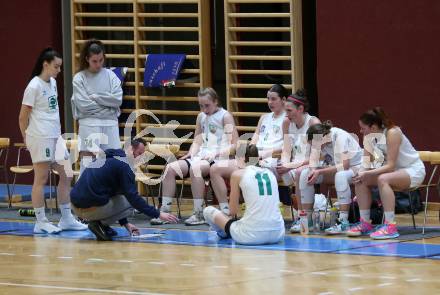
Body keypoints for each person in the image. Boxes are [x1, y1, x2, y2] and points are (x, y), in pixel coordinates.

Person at [18, 48, 87, 234]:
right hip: (40, 137)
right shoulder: (33, 86)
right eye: (56, 66)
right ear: (45, 64)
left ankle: (66, 218)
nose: (58, 70)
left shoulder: (53, 83)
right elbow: (23, 117)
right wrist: (25, 137)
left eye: (60, 67)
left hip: (55, 136)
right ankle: (40, 221)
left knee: (67, 174)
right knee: (41, 178)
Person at [150, 87, 238, 226]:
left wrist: (215, 153)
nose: (204, 109)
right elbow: (197, 139)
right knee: (170, 168)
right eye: (201, 106)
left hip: (219, 158)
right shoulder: (201, 116)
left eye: (207, 105)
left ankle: (199, 213)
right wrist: (191, 152)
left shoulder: (225, 116)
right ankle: (165, 212)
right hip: (200, 156)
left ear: (215, 102)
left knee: (195, 169)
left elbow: (234, 144)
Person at [70, 138, 178, 241]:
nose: (140, 158)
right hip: (91, 209)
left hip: (75, 207)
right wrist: (158, 214)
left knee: (122, 196)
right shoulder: (125, 166)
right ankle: (100, 224)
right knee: (132, 201)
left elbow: (114, 193)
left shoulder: (107, 157)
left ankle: (100, 224)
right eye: (139, 154)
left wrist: (126, 224)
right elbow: (133, 199)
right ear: (131, 149)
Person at [208, 84, 287, 218]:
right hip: (254, 158)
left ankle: (253, 212)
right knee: (215, 168)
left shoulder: (287, 119)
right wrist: (245, 155)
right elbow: (253, 141)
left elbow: (287, 146)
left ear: (283, 99)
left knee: (244, 173)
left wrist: (265, 153)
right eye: (268, 99)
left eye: (274, 99)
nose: (270, 102)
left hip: (272, 160)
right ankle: (226, 209)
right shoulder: (264, 118)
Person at [347, 107, 426, 239]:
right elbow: (365, 164)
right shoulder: (368, 138)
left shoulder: (393, 132)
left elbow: (390, 166)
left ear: (372, 127)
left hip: (412, 171)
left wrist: (367, 173)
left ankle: (390, 226)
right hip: (393, 173)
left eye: (363, 128)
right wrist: (360, 173)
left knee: (383, 179)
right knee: (360, 180)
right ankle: (365, 223)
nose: (360, 131)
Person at [203, 144, 285, 245]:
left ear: (242, 158)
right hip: (278, 233)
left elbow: (233, 211)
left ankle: (223, 233)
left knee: (208, 211)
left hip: (251, 236)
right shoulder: (270, 173)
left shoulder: (237, 174)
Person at [299, 121, 363, 234]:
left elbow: (345, 165)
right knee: (305, 174)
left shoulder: (339, 137)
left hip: (356, 167)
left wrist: (320, 171)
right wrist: (313, 171)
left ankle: (343, 222)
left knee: (340, 176)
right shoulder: (319, 140)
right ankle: (307, 221)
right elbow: (313, 161)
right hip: (336, 169)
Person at [71, 39, 123, 174]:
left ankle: (111, 195)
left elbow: (117, 100)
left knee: (113, 163)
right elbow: (83, 106)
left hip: (110, 124)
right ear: (87, 59)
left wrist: (96, 97)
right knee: (88, 165)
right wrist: (108, 108)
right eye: (95, 61)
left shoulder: (111, 76)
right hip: (89, 125)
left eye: (101, 60)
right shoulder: (79, 78)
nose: (98, 64)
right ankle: (85, 195)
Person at [275, 90, 320, 233]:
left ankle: (304, 218)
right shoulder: (287, 123)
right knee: (266, 170)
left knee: (301, 172)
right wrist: (283, 164)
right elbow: (286, 151)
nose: (286, 114)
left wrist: (289, 166)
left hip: (313, 164)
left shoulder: (313, 122)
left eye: (289, 110)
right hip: (293, 165)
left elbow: (315, 156)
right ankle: (268, 216)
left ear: (300, 109)